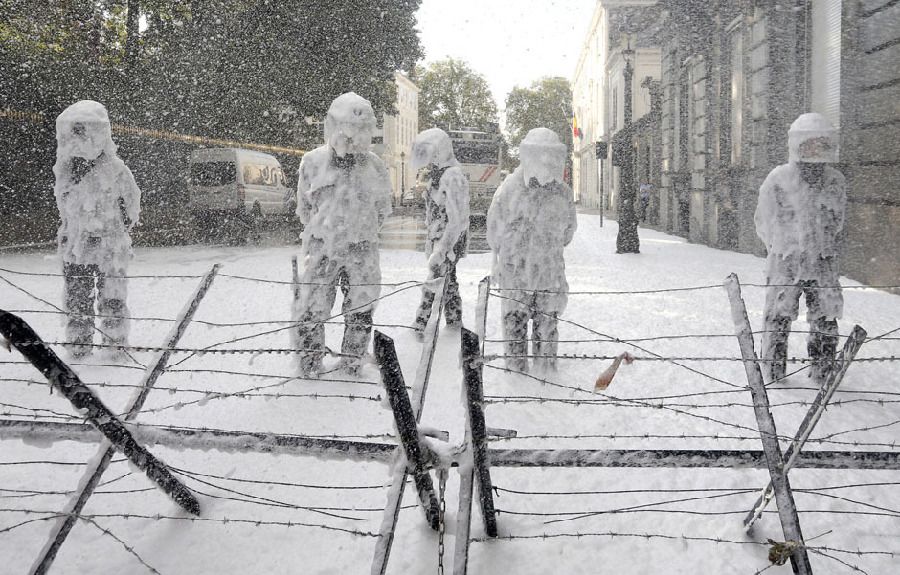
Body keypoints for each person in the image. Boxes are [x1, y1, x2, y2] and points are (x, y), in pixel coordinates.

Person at [292, 92, 392, 376]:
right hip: (323, 250)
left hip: (363, 252)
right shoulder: (312, 163)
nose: (352, 140)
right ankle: (310, 365)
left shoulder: (375, 167)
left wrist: (360, 232)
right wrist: (326, 233)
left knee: (360, 310)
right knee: (312, 310)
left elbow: (383, 210)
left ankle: (352, 365)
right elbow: (304, 207)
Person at [755, 112, 847, 384]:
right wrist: (784, 247)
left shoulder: (835, 181)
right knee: (778, 317)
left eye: (821, 144)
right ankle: (773, 369)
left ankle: (823, 369)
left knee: (826, 317)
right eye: (809, 144)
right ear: (797, 145)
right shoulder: (778, 179)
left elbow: (837, 220)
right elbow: (764, 220)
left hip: (823, 261)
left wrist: (820, 245)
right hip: (786, 262)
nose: (815, 151)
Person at [54, 100, 141, 359]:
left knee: (112, 299)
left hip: (108, 248)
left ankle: (115, 345)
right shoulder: (65, 172)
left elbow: (131, 206)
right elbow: (64, 207)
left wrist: (110, 230)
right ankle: (79, 346)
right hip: (75, 248)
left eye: (83, 132)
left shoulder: (117, 172)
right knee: (77, 301)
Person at [487, 128, 577, 372]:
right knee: (519, 324)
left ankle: (543, 376)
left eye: (551, 157)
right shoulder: (510, 190)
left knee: (544, 326)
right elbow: (494, 232)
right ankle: (518, 377)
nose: (547, 162)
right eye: (543, 156)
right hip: (521, 274)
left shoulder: (560, 193)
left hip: (545, 274)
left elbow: (568, 233)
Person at [411, 128, 470, 335]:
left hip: (447, 243)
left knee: (434, 282)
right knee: (449, 282)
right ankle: (454, 323)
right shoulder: (439, 175)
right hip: (440, 240)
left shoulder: (452, 177)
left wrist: (443, 249)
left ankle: (420, 324)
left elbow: (458, 220)